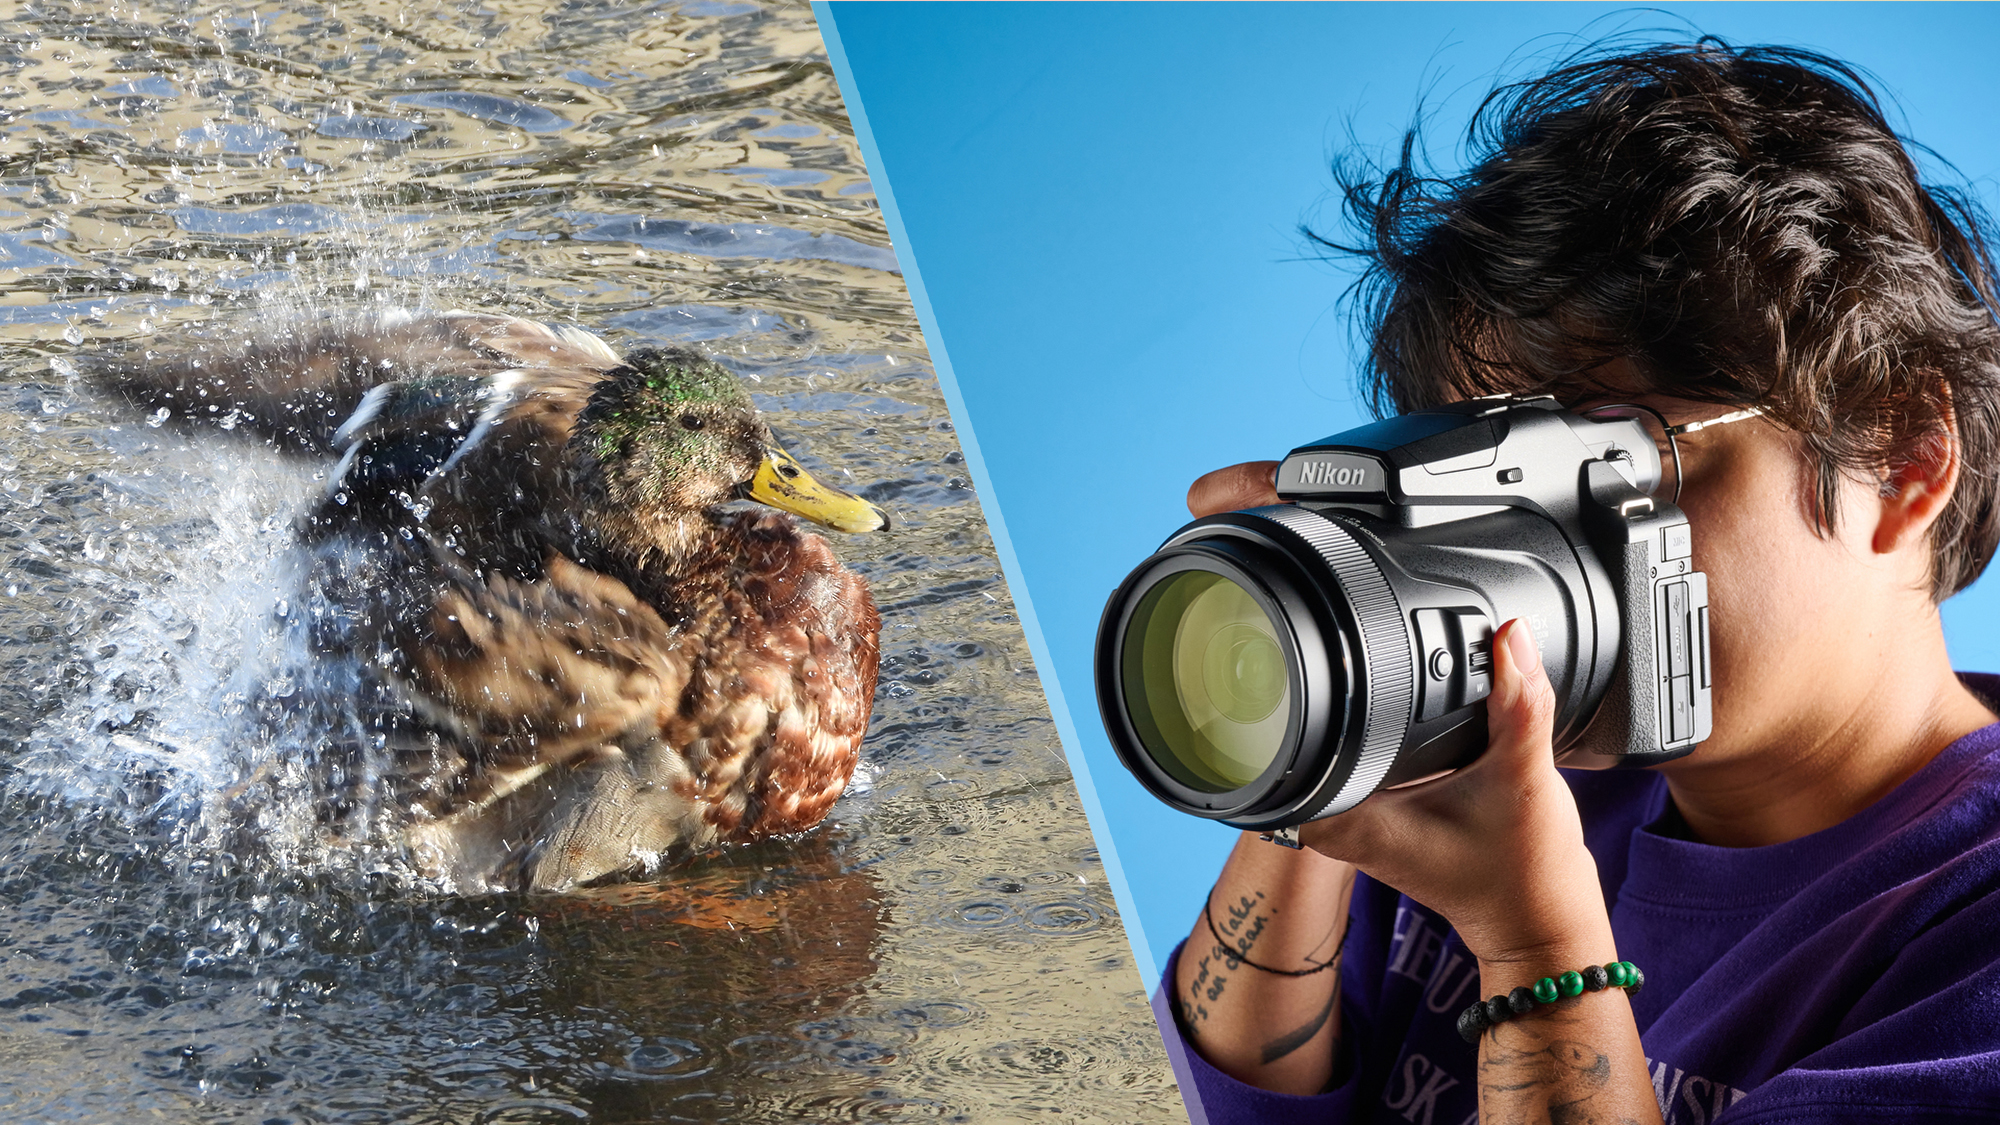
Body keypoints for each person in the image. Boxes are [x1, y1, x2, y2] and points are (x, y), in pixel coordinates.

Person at [1162, 41, 2000, 1125]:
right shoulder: (1492, 764)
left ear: (1901, 453)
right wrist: (1313, 725)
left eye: (1605, 468)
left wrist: (1533, 948)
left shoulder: (1966, 927)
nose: (1525, 549)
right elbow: (1234, 1093)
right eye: (1489, 481)